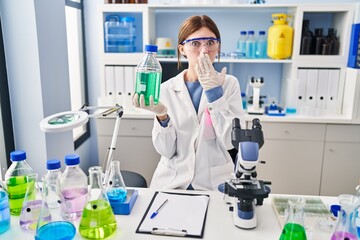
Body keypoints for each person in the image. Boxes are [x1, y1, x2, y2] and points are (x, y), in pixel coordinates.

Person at [133, 15, 245, 191]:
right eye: (195, 43)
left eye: (210, 43)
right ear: (182, 49)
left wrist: (216, 95)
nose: (204, 51)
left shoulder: (229, 85)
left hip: (213, 184)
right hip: (172, 183)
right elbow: (166, 151)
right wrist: (162, 116)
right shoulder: (165, 89)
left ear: (218, 47)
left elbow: (230, 142)